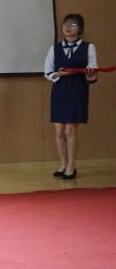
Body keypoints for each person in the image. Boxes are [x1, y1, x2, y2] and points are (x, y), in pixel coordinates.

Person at [45, 13, 98, 180]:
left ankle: (71, 166)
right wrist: (58, 74)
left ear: (80, 28)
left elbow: (92, 73)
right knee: (59, 131)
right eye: (66, 24)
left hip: (77, 90)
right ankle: (63, 163)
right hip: (59, 90)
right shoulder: (54, 48)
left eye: (73, 24)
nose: (68, 27)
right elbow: (48, 72)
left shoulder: (89, 47)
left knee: (70, 129)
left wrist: (91, 75)